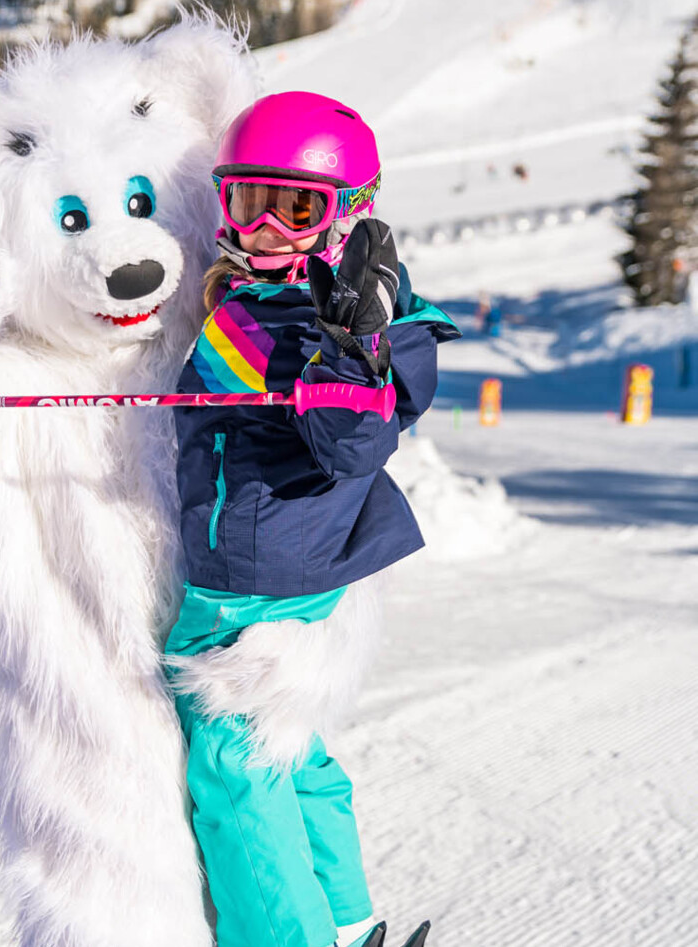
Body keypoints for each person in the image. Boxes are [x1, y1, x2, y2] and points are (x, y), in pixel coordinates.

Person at [164, 92, 460, 947]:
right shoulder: (319, 303)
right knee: (291, 743)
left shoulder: (296, 321)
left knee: (234, 768)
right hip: (299, 564)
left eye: (295, 209)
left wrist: (344, 353)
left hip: (246, 572)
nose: (261, 231)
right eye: (243, 203)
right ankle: (346, 917)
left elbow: (352, 438)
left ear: (348, 216)